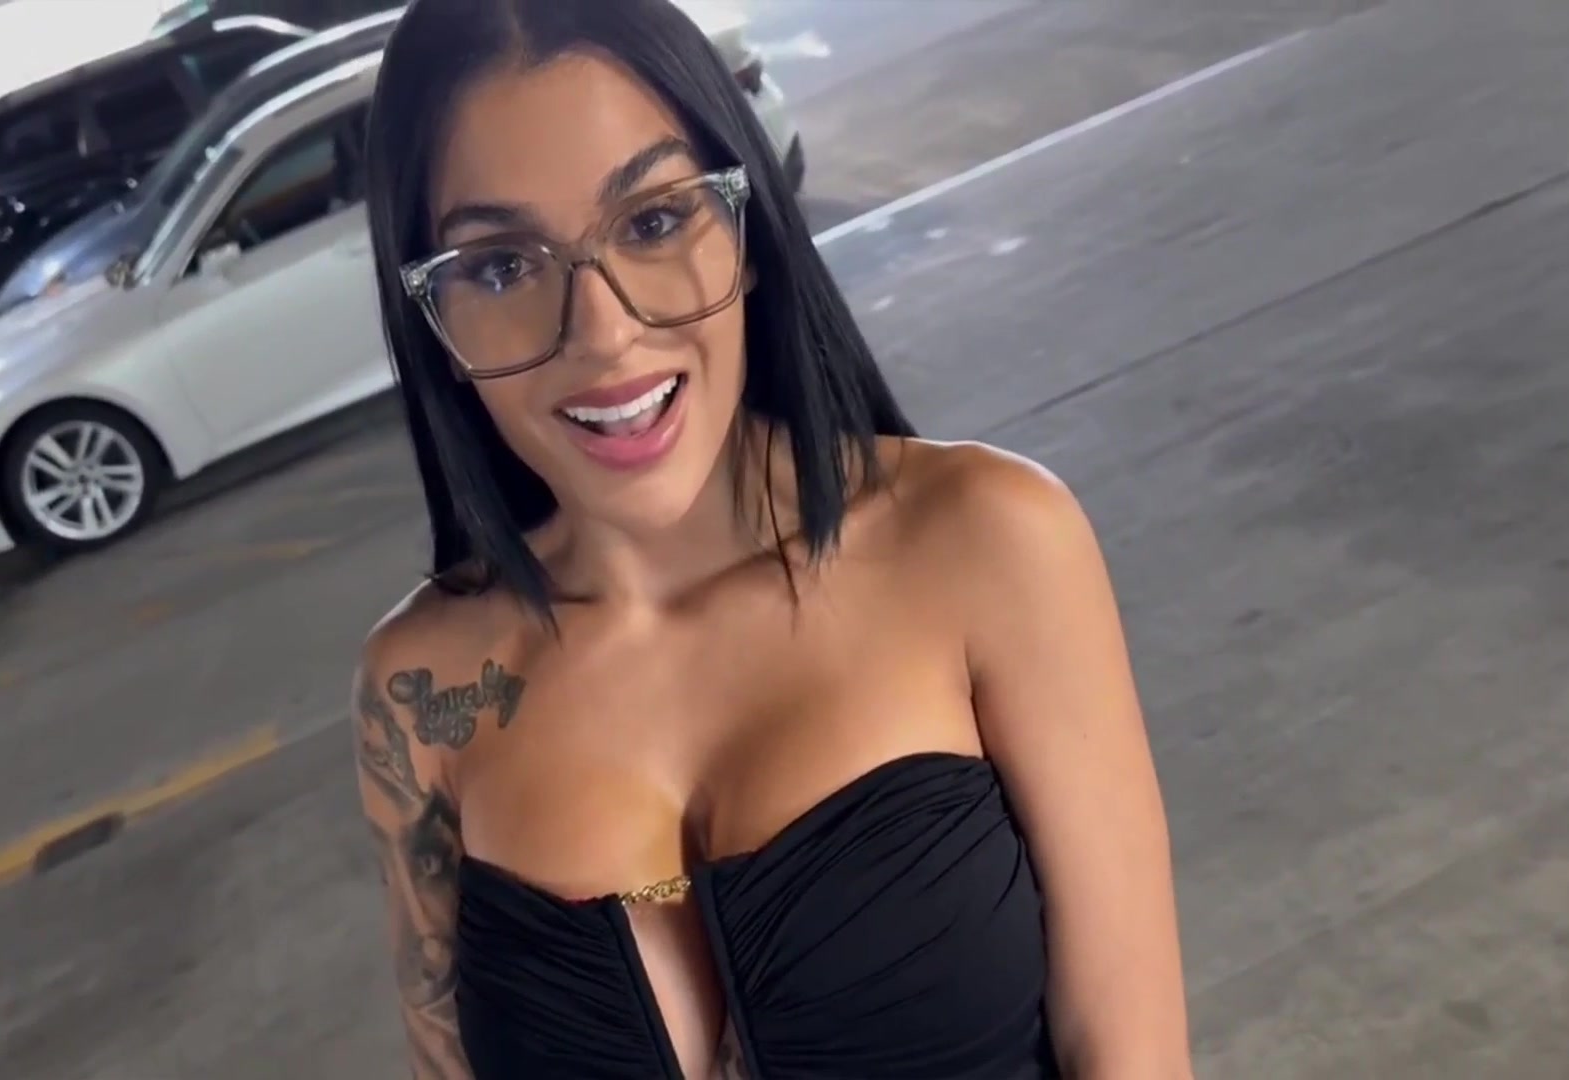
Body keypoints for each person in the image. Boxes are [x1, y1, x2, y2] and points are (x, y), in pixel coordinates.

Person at [353, 0, 1191, 1076]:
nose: (603, 333)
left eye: (654, 220)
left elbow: (1129, 1052)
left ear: (744, 232)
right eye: (504, 267)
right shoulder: (421, 690)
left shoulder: (985, 542)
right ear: (434, 319)